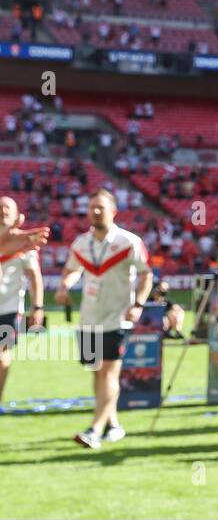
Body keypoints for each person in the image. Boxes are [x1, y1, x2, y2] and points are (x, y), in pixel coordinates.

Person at [56, 190, 151, 449]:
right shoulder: (81, 243)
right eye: (91, 207)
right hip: (89, 318)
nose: (95, 212)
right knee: (97, 374)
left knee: (109, 372)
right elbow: (71, 271)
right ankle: (114, 425)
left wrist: (139, 304)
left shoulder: (129, 241)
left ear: (113, 211)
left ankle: (94, 430)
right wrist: (64, 286)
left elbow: (146, 274)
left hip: (117, 318)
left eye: (100, 207)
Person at [0, 196, 45, 402]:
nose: (3, 212)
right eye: (0, 208)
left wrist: (37, 307)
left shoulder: (27, 244)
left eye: (7, 209)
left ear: (18, 216)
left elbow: (34, 277)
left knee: (2, 356)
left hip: (8, 308)